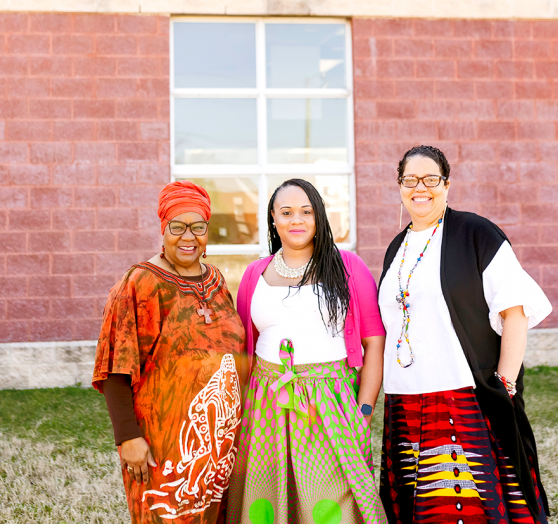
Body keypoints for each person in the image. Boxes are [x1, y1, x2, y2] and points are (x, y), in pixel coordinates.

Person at [377, 145, 553, 524]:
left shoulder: (475, 233)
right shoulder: (397, 246)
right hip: (405, 397)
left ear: (447, 185)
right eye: (410, 179)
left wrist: (505, 381)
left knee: (471, 504)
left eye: (431, 179)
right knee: (419, 506)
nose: (419, 188)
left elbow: (516, 309)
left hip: (461, 393)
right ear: (399, 185)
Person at [228, 179, 388, 524]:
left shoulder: (348, 267)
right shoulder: (255, 274)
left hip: (332, 399)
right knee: (267, 501)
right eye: (286, 212)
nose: (296, 220)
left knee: (333, 503)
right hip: (265, 402)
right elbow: (244, 350)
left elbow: (374, 341)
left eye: (306, 211)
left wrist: (364, 408)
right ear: (273, 218)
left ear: (318, 217)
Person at [92, 180, 246, 524]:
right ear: (163, 228)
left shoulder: (217, 281)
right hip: (161, 447)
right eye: (178, 226)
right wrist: (127, 437)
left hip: (220, 445)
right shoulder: (139, 284)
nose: (188, 236)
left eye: (198, 227)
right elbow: (115, 369)